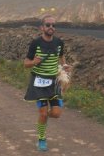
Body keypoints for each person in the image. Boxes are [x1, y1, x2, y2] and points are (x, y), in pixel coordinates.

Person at [24, 15, 71, 151]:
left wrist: (65, 65)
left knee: (56, 114)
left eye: (53, 25)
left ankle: (44, 116)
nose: (51, 27)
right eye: (48, 25)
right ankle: (41, 138)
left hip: (54, 82)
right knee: (43, 114)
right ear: (42, 27)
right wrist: (34, 62)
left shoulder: (59, 42)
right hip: (39, 82)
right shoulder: (36, 43)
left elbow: (61, 56)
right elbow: (26, 63)